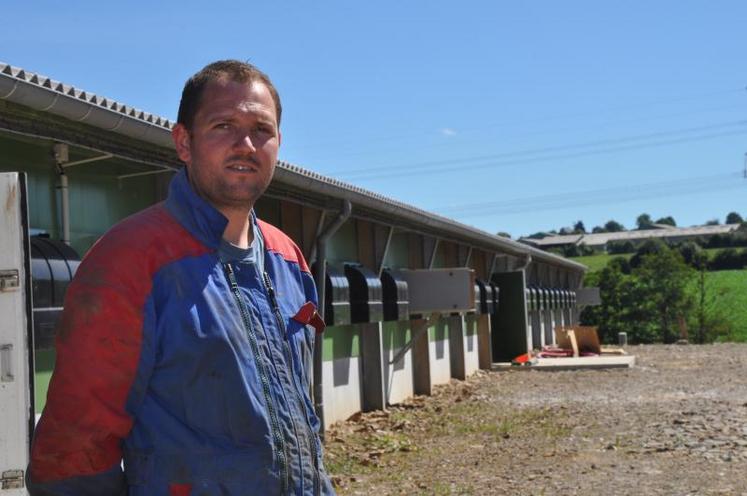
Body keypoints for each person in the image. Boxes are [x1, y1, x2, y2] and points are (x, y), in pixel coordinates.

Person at [27, 60, 335, 495]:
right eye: (223, 126)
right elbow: (74, 445)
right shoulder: (131, 260)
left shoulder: (289, 259)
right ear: (184, 142)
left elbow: (300, 420)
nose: (245, 144)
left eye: (261, 129)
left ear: (279, 143)